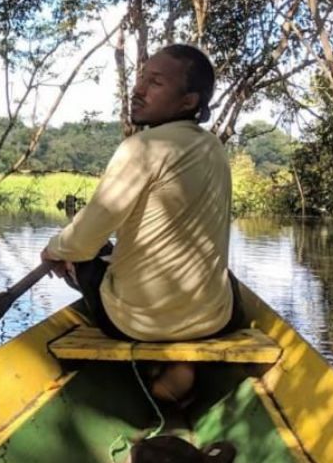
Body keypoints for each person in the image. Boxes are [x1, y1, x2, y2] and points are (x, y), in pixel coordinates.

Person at [41, 44, 243, 403]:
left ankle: (158, 365)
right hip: (214, 320)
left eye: (156, 82)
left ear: (187, 101)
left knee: (86, 250)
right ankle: (181, 367)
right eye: (141, 78)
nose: (138, 89)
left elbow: (83, 240)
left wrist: (54, 250)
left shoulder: (142, 148)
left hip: (135, 324)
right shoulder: (214, 148)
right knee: (228, 283)